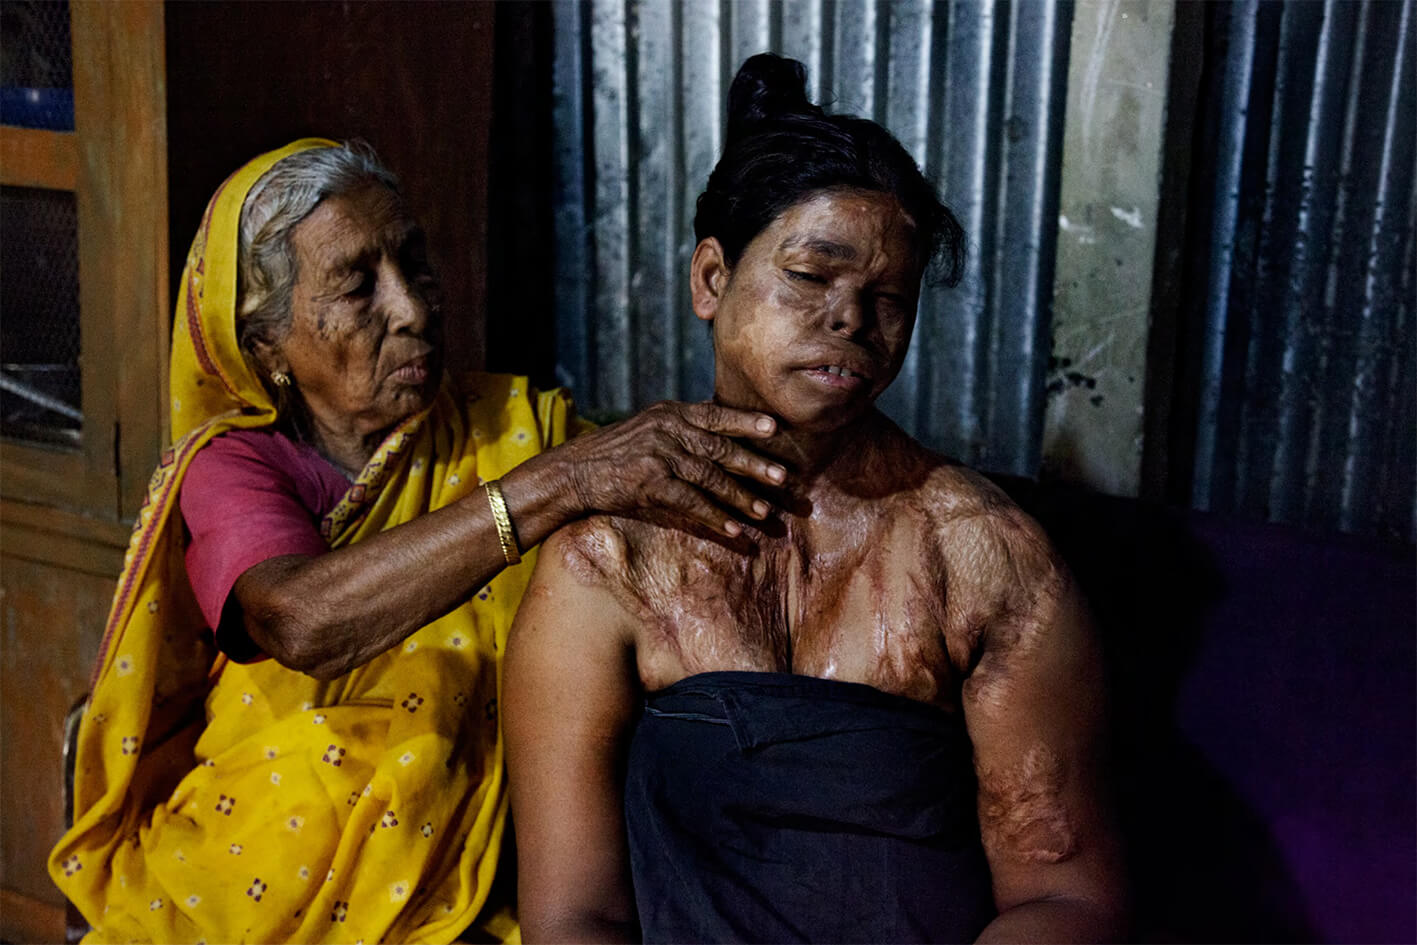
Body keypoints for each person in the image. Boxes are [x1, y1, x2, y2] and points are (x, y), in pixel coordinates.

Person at [48, 138, 790, 944]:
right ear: (266, 342)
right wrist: (562, 483)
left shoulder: (508, 428)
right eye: (357, 285)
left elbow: (648, 521)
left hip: (470, 874)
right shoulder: (235, 464)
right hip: (257, 864)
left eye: (414, 264)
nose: (412, 309)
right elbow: (300, 620)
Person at [505, 54, 1128, 944]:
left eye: (887, 298)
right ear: (710, 280)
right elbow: (574, 916)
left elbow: (1062, 894)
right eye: (810, 276)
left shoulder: (982, 556)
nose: (849, 321)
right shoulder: (608, 563)